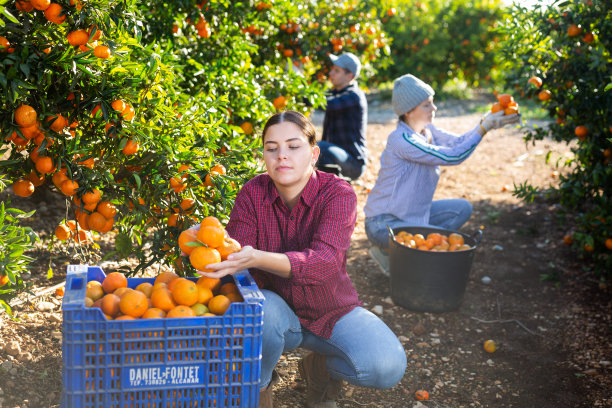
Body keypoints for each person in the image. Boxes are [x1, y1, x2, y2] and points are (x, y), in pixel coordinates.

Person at [196, 111, 406, 408]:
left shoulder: (337, 194)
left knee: (385, 366)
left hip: (330, 311)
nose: (282, 156)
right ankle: (259, 386)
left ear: (313, 153)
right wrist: (205, 245)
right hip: (275, 314)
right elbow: (234, 256)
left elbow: (325, 262)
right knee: (261, 308)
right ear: (264, 155)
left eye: (293, 146)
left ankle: (317, 369)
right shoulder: (253, 193)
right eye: (272, 148)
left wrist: (257, 257)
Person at [364, 74, 520, 275]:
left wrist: (486, 123)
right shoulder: (401, 140)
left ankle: (398, 254)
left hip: (410, 217)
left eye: (432, 103)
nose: (434, 108)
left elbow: (458, 143)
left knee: (461, 209)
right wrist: (484, 128)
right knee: (426, 244)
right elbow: (454, 156)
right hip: (383, 223)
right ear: (409, 111)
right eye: (427, 105)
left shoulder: (426, 132)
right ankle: (393, 255)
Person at [317, 52, 368, 180]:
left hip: (353, 163)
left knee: (320, 147)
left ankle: (335, 187)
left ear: (349, 76)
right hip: (336, 155)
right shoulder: (334, 93)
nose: (331, 73)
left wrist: (305, 98)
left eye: (337, 71)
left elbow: (325, 104)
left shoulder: (354, 96)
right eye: (332, 69)